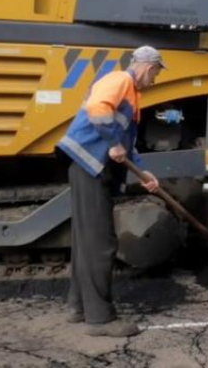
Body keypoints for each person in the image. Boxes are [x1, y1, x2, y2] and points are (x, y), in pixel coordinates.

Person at [57, 46, 165, 337]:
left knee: (87, 241)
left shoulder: (131, 94)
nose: (155, 79)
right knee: (101, 243)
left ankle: (79, 306)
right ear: (148, 66)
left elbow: (126, 145)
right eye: (156, 73)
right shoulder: (120, 80)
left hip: (89, 167)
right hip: (90, 165)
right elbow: (98, 109)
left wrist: (144, 174)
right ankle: (100, 319)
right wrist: (112, 142)